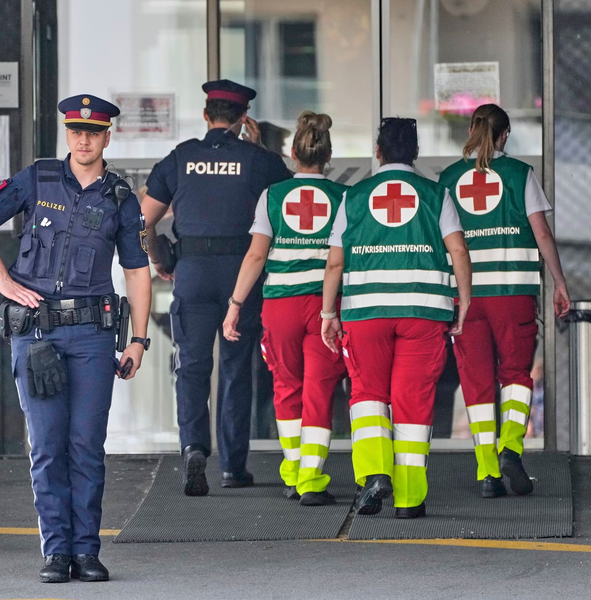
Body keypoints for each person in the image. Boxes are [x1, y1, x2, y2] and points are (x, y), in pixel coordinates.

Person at [0, 95, 152, 583]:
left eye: (92, 132)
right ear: (67, 134)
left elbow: (136, 269)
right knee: (47, 444)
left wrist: (138, 340)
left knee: (86, 444)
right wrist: (4, 282)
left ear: (107, 136)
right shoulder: (38, 178)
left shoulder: (120, 197)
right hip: (37, 333)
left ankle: (87, 552)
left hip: (92, 335)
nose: (83, 139)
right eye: (75, 131)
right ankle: (55, 551)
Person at [141, 79, 291, 496]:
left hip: (193, 271)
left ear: (206, 116)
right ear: (243, 119)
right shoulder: (258, 161)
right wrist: (263, 150)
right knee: (235, 369)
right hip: (242, 273)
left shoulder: (181, 157)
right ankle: (233, 466)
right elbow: (292, 197)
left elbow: (143, 221)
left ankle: (192, 447)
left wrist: (160, 258)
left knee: (190, 366)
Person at [320, 117, 472, 519]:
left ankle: (373, 473)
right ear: (416, 152)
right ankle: (409, 499)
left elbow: (335, 263)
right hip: (424, 314)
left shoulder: (353, 197)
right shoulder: (436, 194)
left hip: (366, 314)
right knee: (413, 399)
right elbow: (458, 251)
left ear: (378, 151)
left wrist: (327, 312)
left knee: (368, 393)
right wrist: (465, 300)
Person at [438, 104, 570, 497]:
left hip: (468, 298)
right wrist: (559, 283)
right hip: (513, 295)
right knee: (515, 375)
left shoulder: (447, 179)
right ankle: (511, 446)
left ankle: (487, 472)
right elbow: (542, 234)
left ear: (471, 129)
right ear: (505, 135)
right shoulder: (519, 174)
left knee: (475, 382)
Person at [223, 111, 347, 506]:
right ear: (327, 155)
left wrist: (235, 304)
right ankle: (312, 478)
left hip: (280, 306)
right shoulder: (344, 197)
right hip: (323, 306)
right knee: (319, 390)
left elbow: (257, 256)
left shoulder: (272, 196)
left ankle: (293, 472)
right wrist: (331, 311)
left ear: (293, 154)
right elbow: (339, 261)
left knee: (286, 387)